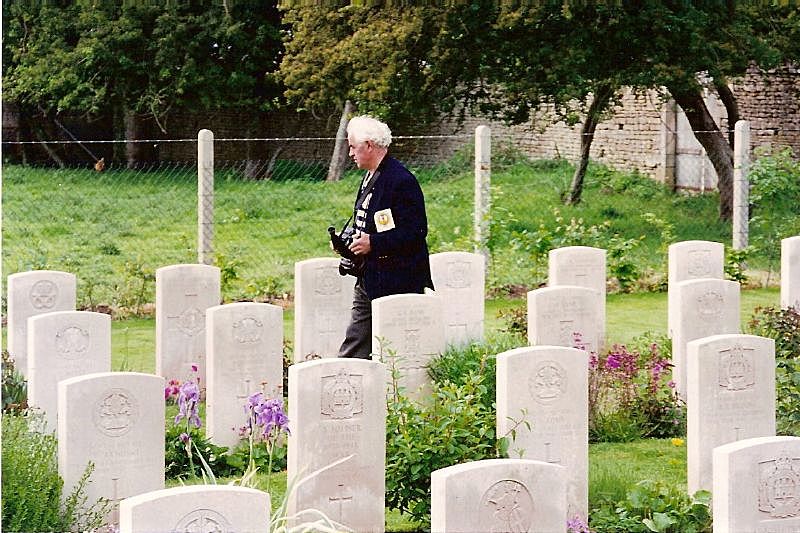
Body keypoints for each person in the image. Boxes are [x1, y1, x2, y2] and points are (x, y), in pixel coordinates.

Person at [338, 115, 433, 359]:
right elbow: (370, 221)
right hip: (370, 276)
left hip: (397, 280)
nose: (350, 153)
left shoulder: (401, 180)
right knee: (356, 343)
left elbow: (416, 232)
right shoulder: (371, 175)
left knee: (394, 352)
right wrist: (349, 243)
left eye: (352, 146)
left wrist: (374, 243)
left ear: (369, 145)